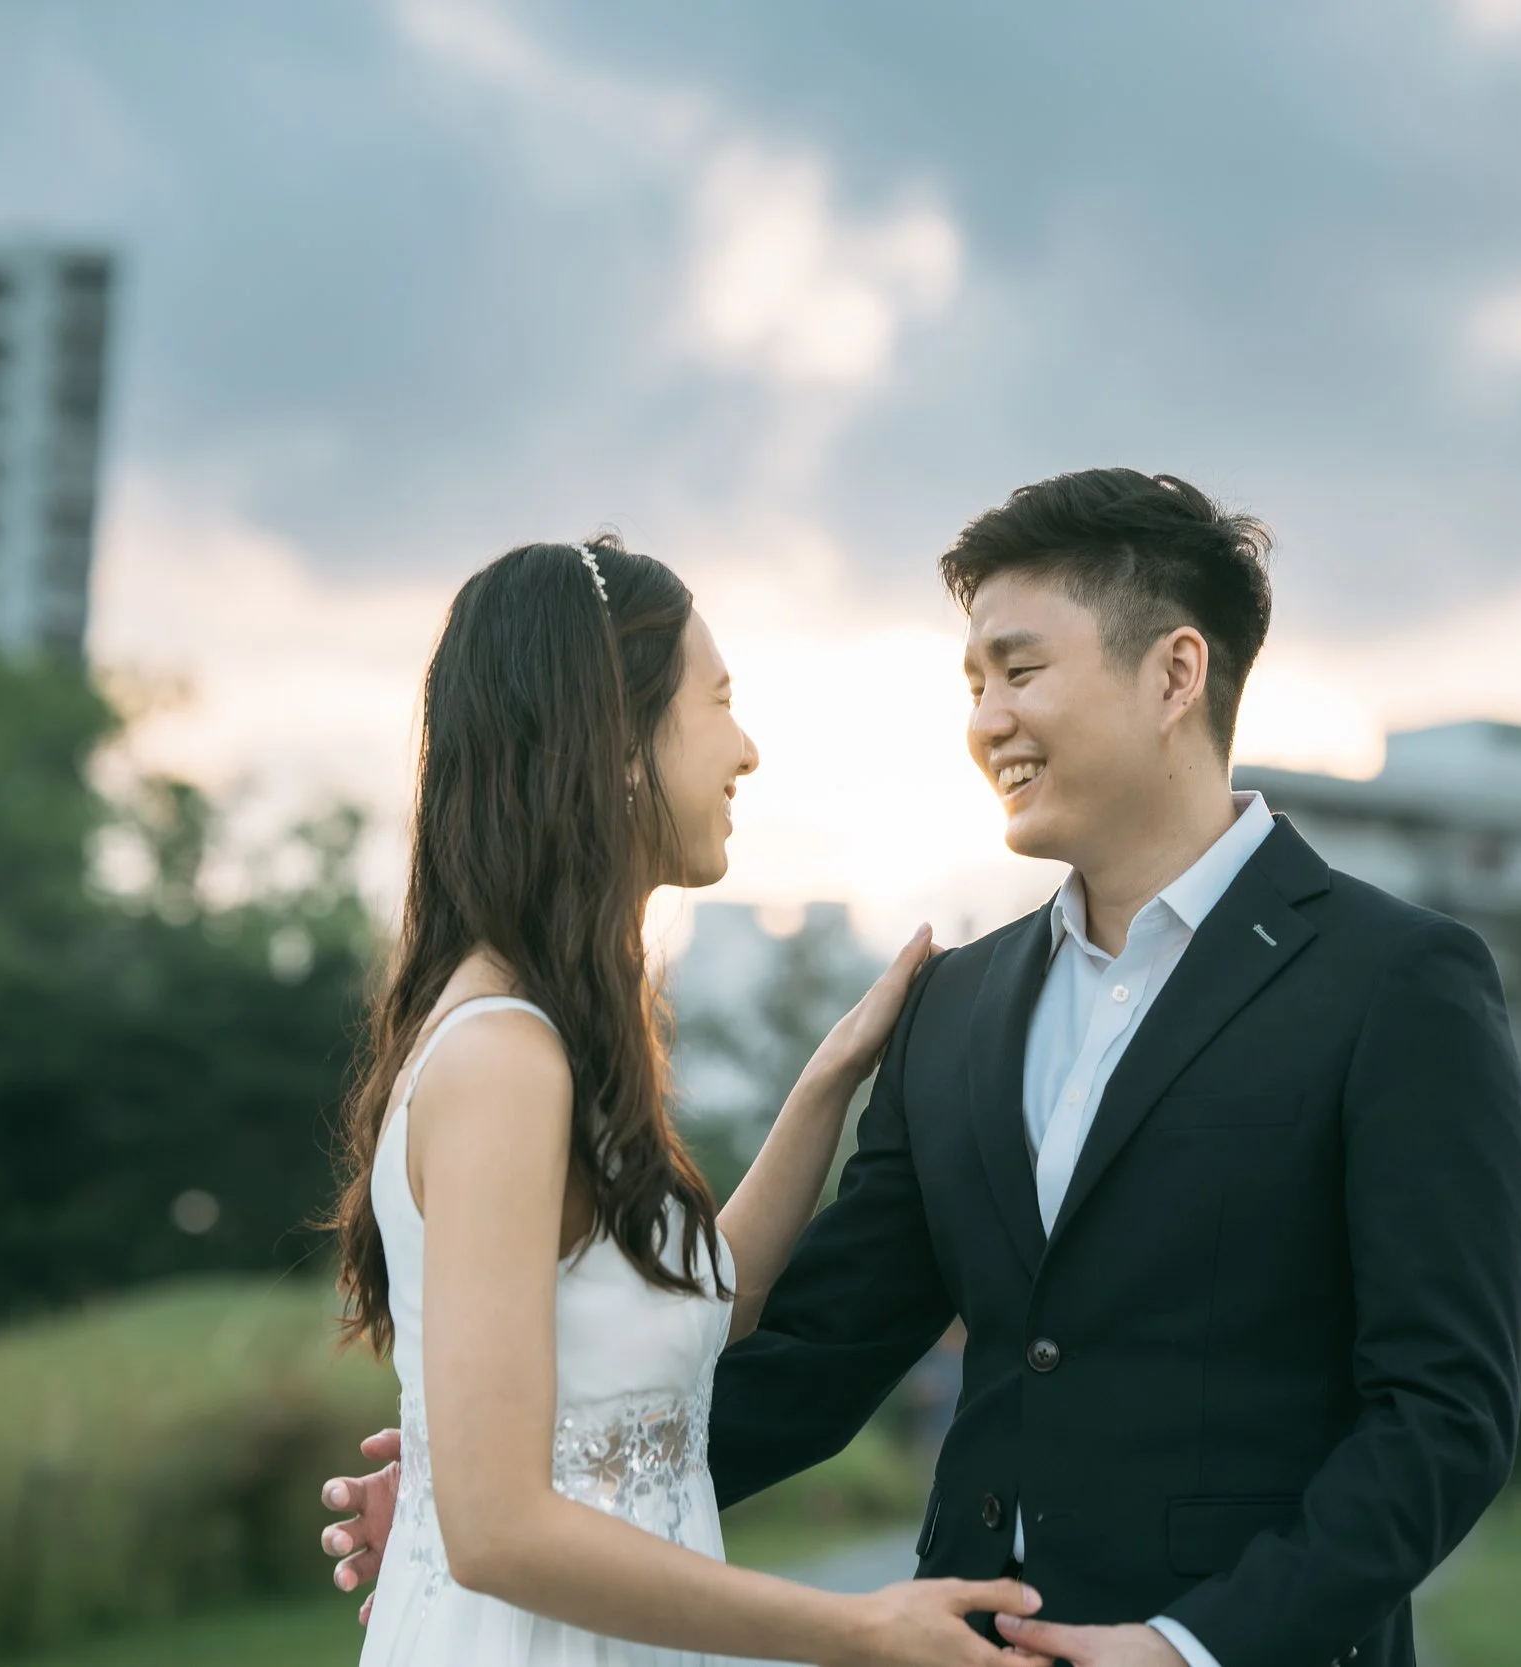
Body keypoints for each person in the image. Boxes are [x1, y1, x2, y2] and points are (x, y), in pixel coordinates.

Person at [325, 474, 1521, 1667]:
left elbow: (1443, 1415)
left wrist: (1190, 1647)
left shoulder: (1394, 983)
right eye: (972, 683)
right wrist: (501, 1476)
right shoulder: (954, 1008)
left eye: (1019, 670)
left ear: (1176, 673)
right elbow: (814, 1350)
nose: (986, 720)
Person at [326, 535, 1050, 1667]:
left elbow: (689, 1307)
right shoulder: (505, 1058)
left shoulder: (555, 1033)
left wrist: (826, 1082)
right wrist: (858, 1626)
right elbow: (496, 1528)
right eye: (719, 701)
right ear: (617, 741)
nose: (748, 749)